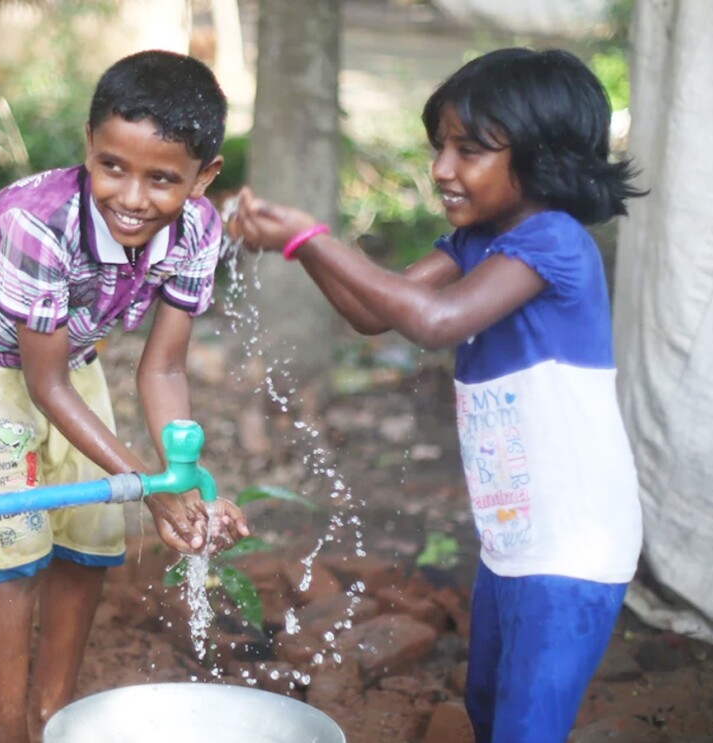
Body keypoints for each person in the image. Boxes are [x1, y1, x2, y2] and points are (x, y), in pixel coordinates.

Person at [230, 48, 645, 743]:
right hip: (512, 539)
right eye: (440, 146)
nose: (442, 168)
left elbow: (433, 321)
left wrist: (313, 234)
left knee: (526, 727)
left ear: (543, 155)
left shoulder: (555, 242)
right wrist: (298, 249)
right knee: (487, 709)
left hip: (574, 546)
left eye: (470, 149)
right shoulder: (476, 240)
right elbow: (372, 313)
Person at [0, 50, 250, 743]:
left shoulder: (198, 229)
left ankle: (56, 715)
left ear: (205, 177)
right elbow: (40, 385)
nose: (132, 197)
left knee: (91, 529)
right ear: (88, 148)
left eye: (162, 178)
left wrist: (183, 482)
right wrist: (146, 482)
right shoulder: (38, 222)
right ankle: (10, 726)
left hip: (66, 344)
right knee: (11, 536)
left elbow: (162, 370)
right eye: (113, 167)